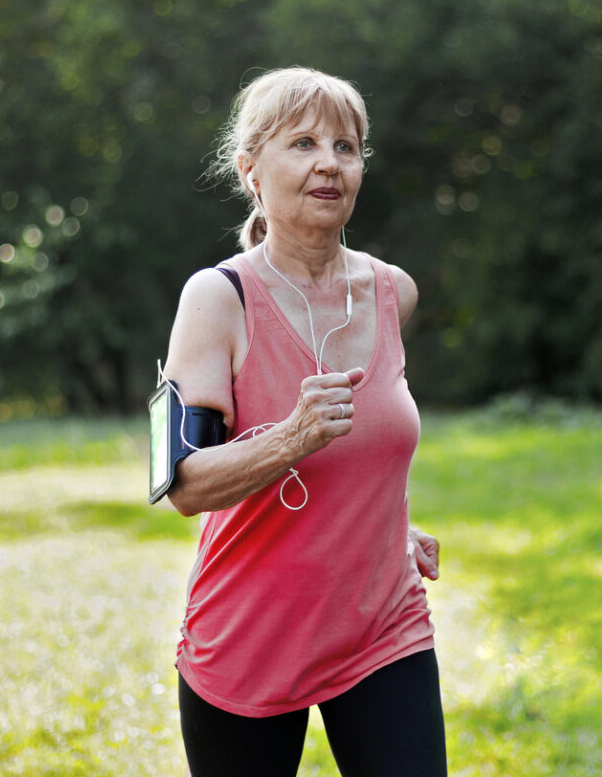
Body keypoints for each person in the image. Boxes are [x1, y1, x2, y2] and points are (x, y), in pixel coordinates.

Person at [159, 67, 447, 776]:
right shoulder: (217, 299)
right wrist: (294, 434)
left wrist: (381, 521)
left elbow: (370, 444)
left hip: (382, 624)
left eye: (346, 147)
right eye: (304, 143)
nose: (329, 162)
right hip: (250, 636)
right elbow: (185, 484)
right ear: (250, 168)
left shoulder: (390, 293)